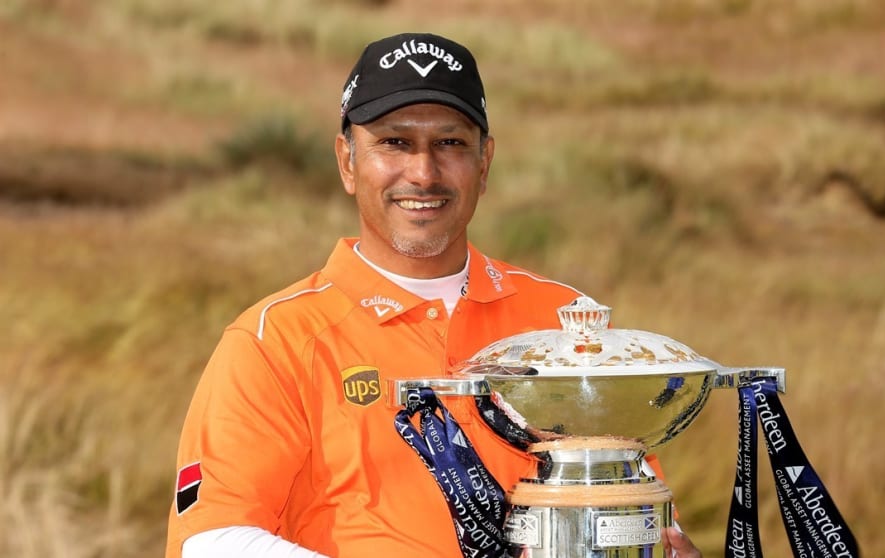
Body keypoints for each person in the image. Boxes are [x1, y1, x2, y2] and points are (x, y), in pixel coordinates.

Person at [165, 32, 701, 558]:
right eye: (394, 142)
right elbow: (211, 541)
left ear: (484, 163)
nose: (423, 173)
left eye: (450, 143)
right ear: (348, 161)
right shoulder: (274, 340)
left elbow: (636, 512)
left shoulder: (566, 320)